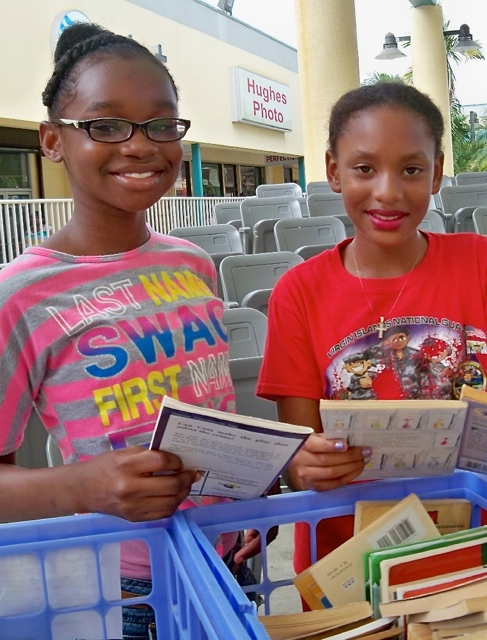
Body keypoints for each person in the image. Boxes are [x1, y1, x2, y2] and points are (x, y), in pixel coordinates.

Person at [0, 22, 258, 639]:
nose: (140, 146)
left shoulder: (192, 264)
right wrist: (82, 486)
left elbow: (207, 415)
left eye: (162, 125)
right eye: (106, 125)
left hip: (230, 559)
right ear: (51, 141)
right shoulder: (19, 295)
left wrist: (246, 498)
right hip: (121, 585)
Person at [256, 82, 487, 585]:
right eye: (365, 168)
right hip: (347, 564)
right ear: (334, 171)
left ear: (437, 173)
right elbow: (300, 454)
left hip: (471, 554)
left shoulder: (479, 262)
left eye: (411, 169)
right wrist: (304, 464)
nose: (388, 191)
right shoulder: (300, 292)